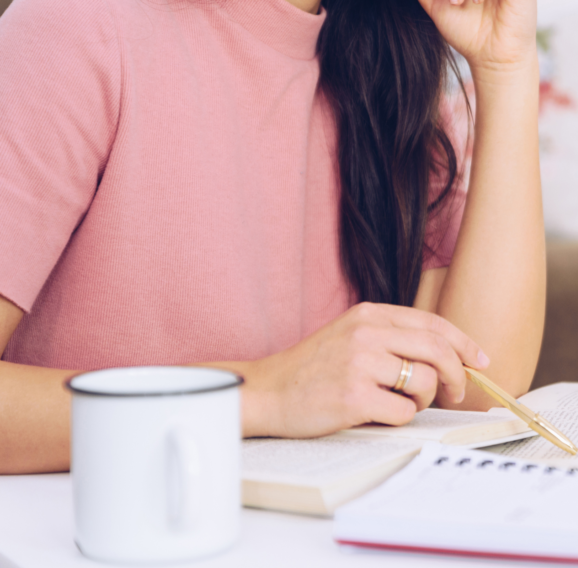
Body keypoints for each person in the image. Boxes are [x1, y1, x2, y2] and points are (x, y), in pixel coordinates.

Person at [0, 0, 544, 474]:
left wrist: (505, 67)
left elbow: (476, 392)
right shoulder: (75, 28)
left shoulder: (391, 75)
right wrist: (263, 394)